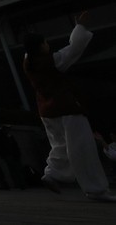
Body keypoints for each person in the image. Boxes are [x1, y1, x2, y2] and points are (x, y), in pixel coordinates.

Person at [23, 11, 116, 202]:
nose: (47, 45)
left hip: (46, 112)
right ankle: (96, 190)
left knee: (60, 145)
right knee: (83, 148)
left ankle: (52, 173)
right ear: (40, 46)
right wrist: (79, 27)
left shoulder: (28, 63)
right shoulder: (51, 62)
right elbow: (74, 49)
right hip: (66, 109)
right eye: (45, 43)